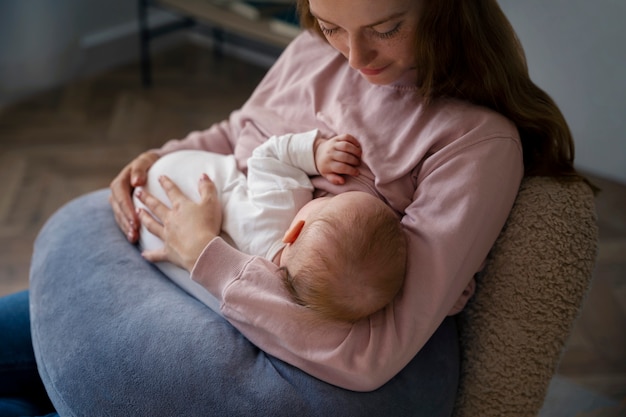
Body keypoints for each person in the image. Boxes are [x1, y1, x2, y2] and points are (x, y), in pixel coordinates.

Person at [0, 0, 589, 415]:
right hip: (179, 270)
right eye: (332, 25)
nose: (354, 57)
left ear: (447, 9)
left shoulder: (473, 143)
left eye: (386, 27)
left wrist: (202, 252)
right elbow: (240, 131)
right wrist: (163, 158)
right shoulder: (313, 51)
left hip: (247, 309)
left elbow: (373, 353)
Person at [135, 130, 406, 322]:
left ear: (295, 230)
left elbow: (267, 156)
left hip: (170, 180)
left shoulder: (282, 204)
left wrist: (315, 152)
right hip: (159, 241)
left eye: (330, 201)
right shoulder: (264, 287)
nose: (326, 195)